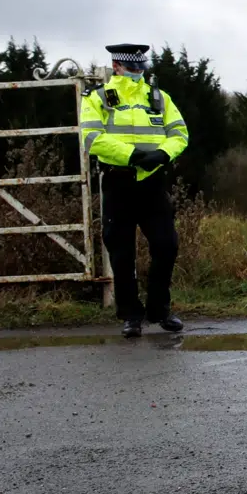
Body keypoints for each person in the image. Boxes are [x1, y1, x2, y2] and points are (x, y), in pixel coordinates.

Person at [79, 43, 189, 337]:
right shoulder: (98, 98)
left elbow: (180, 134)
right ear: (116, 66)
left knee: (167, 245)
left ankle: (159, 309)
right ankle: (130, 315)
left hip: (152, 182)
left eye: (141, 67)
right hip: (118, 181)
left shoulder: (159, 97)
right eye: (132, 67)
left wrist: (163, 154)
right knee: (121, 252)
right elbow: (92, 138)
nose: (138, 72)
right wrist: (132, 155)